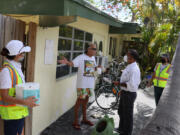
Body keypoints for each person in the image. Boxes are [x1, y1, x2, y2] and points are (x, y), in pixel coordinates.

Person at [0, 40, 38, 135]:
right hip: (12, 116)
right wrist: (25, 102)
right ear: (17, 54)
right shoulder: (6, 71)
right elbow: (4, 96)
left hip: (19, 113)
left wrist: (29, 95)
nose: (24, 54)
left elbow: (15, 88)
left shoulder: (15, 67)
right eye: (22, 52)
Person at [58, 43, 98, 130]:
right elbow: (73, 63)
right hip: (82, 85)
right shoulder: (81, 57)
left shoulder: (93, 58)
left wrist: (97, 71)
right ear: (88, 49)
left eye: (95, 49)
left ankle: (84, 119)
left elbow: (94, 69)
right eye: (94, 49)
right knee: (79, 103)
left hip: (90, 85)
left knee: (85, 102)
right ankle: (75, 121)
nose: (95, 51)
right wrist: (67, 62)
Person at [114, 49, 141, 135]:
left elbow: (132, 85)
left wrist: (119, 83)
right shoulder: (129, 65)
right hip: (125, 92)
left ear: (132, 58)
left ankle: (127, 132)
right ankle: (121, 128)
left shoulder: (135, 69)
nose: (126, 57)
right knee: (121, 111)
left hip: (129, 94)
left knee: (127, 115)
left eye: (128, 55)